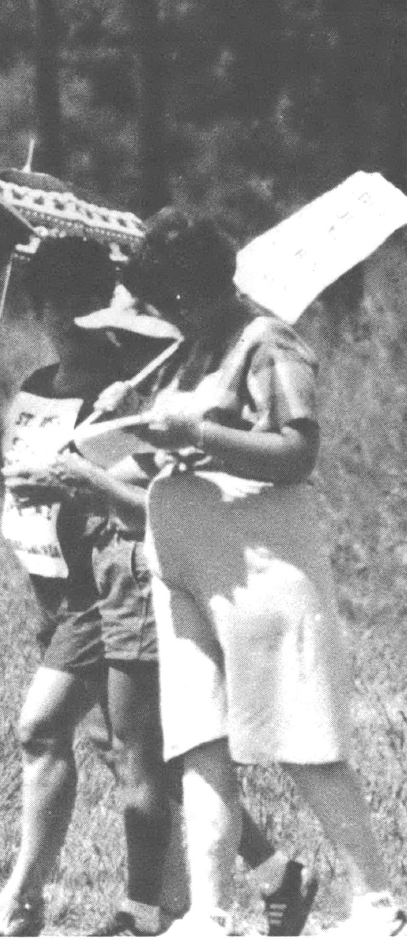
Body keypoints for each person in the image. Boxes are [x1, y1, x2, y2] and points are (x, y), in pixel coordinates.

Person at [0, 237, 318, 938]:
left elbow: (135, 490)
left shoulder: (130, 387)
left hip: (108, 583)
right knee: (139, 750)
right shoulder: (34, 385)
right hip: (52, 587)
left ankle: (35, 902)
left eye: (83, 306)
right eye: (53, 306)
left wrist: (83, 468)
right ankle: (267, 873)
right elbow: (14, 492)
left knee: (48, 729)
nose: (67, 321)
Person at [115, 208, 406, 936]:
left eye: (168, 300)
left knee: (300, 732)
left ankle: (376, 900)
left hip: (260, 562)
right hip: (185, 562)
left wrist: (198, 434)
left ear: (191, 290)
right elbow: (182, 445)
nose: (166, 315)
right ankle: (209, 911)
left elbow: (295, 452)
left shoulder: (267, 339)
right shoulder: (190, 351)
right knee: (198, 738)